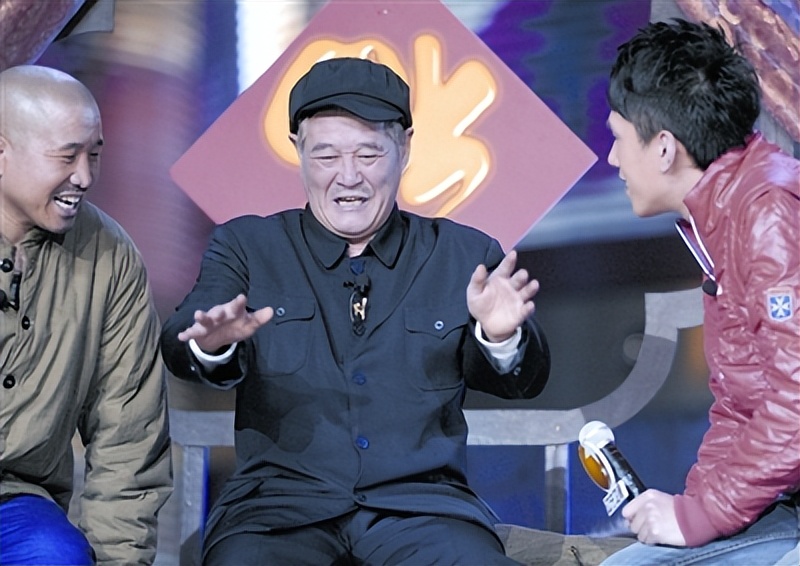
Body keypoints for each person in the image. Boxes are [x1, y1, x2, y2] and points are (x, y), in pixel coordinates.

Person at [161, 56, 551, 565]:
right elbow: (181, 339)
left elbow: (527, 378)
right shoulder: (248, 247)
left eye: (369, 154)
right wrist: (211, 345)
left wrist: (500, 338)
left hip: (422, 511)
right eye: (326, 156)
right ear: (298, 151)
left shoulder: (464, 254)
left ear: (404, 149)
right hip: (278, 512)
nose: (349, 177)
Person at [600, 19, 800, 565]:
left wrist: (699, 516)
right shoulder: (724, 212)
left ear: (664, 148)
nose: (613, 159)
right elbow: (740, 404)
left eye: (619, 138)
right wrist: (690, 515)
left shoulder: (768, 213)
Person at [0, 65, 172, 565]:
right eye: (67, 156)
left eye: (94, 154)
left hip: (15, 501)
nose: (85, 177)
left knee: (56, 556)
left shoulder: (110, 256)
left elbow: (128, 435)